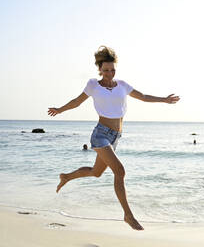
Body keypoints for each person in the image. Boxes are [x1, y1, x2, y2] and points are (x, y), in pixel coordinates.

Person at [48, 46, 180, 231]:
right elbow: (76, 102)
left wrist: (164, 99)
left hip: (115, 137)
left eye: (112, 70)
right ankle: (128, 215)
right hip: (101, 134)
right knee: (120, 171)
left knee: (96, 172)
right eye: (106, 70)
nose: (109, 73)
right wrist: (60, 109)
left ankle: (66, 177)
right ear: (100, 70)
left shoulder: (123, 85)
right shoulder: (93, 85)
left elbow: (142, 96)